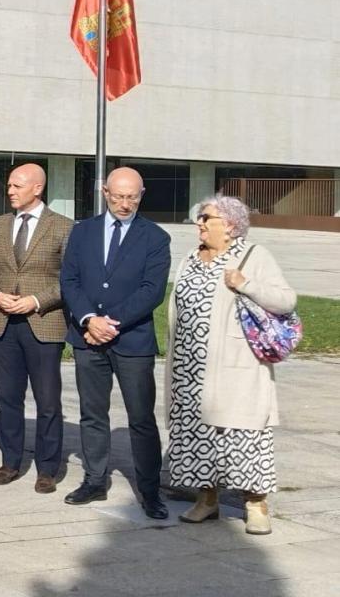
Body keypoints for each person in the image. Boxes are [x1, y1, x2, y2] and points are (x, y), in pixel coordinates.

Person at [168, 196, 296, 535]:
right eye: (199, 217)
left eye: (206, 217)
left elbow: (286, 300)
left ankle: (255, 504)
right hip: (189, 369)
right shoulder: (190, 260)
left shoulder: (254, 256)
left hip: (236, 368)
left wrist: (245, 285)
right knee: (198, 436)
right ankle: (206, 499)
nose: (199, 223)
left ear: (229, 224)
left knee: (244, 435)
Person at [59, 167, 172, 518]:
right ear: (105, 192)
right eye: (119, 196)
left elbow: (152, 291)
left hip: (132, 341)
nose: (125, 204)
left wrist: (112, 323)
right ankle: (94, 480)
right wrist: (89, 320)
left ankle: (150, 490)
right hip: (87, 337)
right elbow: (69, 280)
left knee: (141, 418)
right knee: (93, 414)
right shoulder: (82, 232)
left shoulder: (155, 238)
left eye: (132, 197)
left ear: (141, 195)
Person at [0, 163, 72, 494]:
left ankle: (47, 469)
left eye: (18, 185)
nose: (10, 191)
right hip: (3, 324)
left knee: (47, 401)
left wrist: (35, 301)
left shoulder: (63, 228)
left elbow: (69, 280)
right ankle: (10, 461)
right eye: (10, 185)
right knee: (7, 399)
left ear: (37, 188)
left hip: (43, 324)